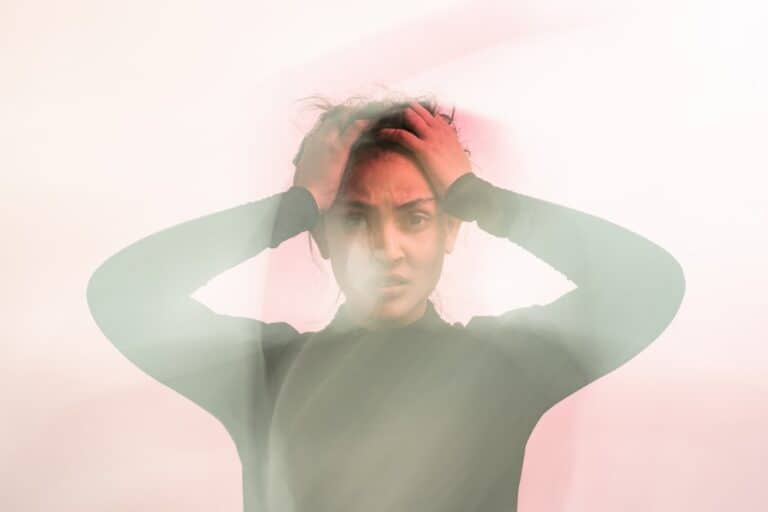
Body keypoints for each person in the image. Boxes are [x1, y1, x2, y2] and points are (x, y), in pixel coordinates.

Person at [86, 97, 685, 511]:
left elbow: (647, 284)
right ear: (321, 234)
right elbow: (126, 294)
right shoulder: (267, 375)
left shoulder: (502, 367)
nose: (386, 249)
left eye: (415, 217)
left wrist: (477, 196)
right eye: (355, 219)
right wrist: (297, 204)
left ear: (451, 228)